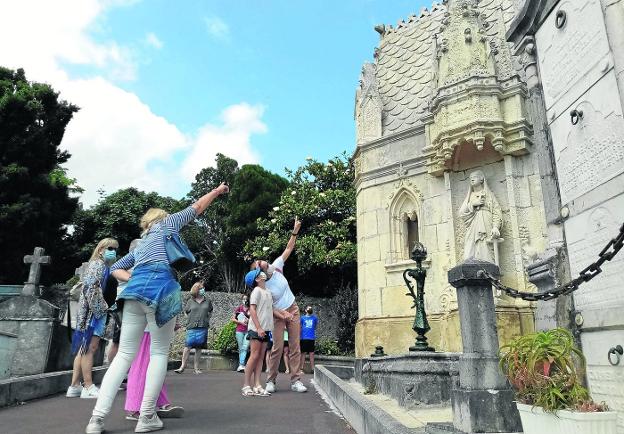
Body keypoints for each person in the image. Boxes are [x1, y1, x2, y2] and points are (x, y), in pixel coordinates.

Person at [85, 182, 229, 434]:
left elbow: (115, 268)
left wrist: (138, 280)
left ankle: (96, 420)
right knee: (159, 353)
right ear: (161, 219)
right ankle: (147, 416)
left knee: (124, 356)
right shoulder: (168, 224)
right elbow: (196, 208)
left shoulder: (141, 247)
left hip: (133, 294)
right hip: (162, 290)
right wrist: (217, 191)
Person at [251, 217, 307, 393]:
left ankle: (296, 380)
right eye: (261, 264)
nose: (264, 262)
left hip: (293, 308)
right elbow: (269, 307)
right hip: (277, 314)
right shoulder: (263, 285)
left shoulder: (276, 267)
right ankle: (271, 380)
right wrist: (283, 315)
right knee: (277, 347)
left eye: (262, 260)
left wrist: (295, 230)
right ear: (260, 273)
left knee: (295, 345)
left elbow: (289, 248)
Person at [67, 238, 119, 400]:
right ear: (101, 249)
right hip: (93, 314)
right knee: (90, 348)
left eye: (116, 249)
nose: (114, 251)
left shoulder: (103, 266)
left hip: (92, 313)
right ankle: (88, 386)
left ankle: (74, 386)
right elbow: (91, 288)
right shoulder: (98, 265)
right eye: (110, 248)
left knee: (84, 348)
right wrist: (102, 309)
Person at [124, 328, 184, 421]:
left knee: (156, 368)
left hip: (155, 326)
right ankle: (134, 408)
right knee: (141, 365)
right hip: (144, 327)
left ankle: (161, 402)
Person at [241, 268, 274, 397]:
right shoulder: (256, 291)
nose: (263, 274)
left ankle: (257, 385)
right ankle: (246, 385)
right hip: (256, 329)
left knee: (261, 357)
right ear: (256, 279)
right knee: (254, 356)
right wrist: (259, 328)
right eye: (259, 274)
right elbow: (253, 310)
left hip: (266, 329)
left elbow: (270, 309)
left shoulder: (268, 292)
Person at [458, 170, 502, 263]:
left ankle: (488, 270)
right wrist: (473, 204)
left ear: (482, 179)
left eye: (475, 176)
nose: (472, 179)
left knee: (485, 249)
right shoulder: (470, 196)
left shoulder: (489, 195)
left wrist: (495, 227)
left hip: (486, 225)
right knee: (469, 252)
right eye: (470, 178)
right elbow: (461, 213)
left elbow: (496, 211)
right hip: (473, 227)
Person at [175, 281, 213, 374]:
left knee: (199, 348)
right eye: (200, 288)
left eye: (203, 288)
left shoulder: (207, 301)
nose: (203, 290)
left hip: (203, 326)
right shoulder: (190, 301)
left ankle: (196, 368)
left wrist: (207, 319)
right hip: (191, 326)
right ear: (196, 290)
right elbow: (185, 312)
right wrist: (189, 319)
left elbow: (210, 311)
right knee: (187, 347)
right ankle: (182, 366)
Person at [232, 293, 250, 372]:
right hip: (239, 330)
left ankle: (241, 364)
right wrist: (241, 322)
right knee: (241, 348)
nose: (245, 301)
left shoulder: (251, 309)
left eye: (246, 299)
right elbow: (233, 319)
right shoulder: (239, 308)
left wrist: (249, 320)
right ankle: (241, 365)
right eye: (244, 299)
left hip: (248, 330)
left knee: (245, 347)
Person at [299, 306, 318, 374]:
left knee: (311, 353)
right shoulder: (302, 318)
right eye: (308, 308)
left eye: (311, 308)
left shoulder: (315, 318)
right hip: (303, 338)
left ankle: (313, 369)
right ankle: (301, 369)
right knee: (303, 353)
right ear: (305, 310)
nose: (310, 309)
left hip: (311, 338)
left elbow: (315, 326)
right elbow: (300, 327)